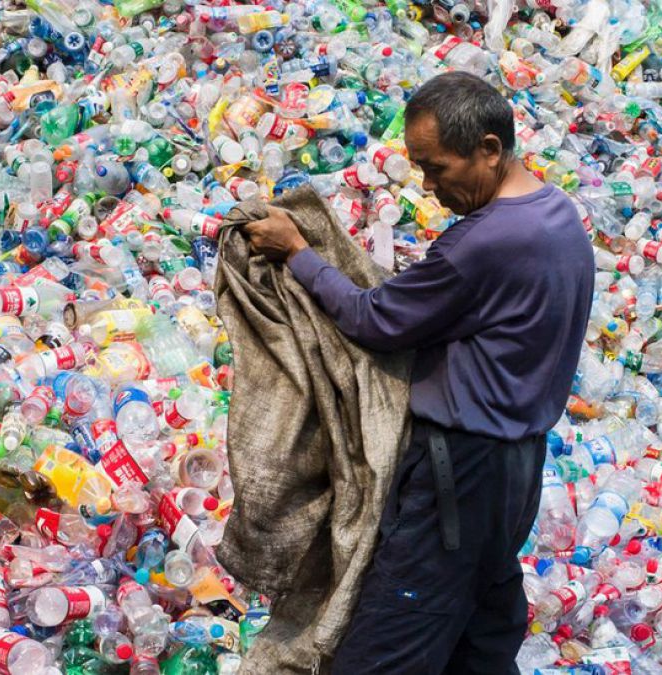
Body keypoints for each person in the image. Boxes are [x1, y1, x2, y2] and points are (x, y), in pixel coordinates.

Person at [242, 71, 595, 673]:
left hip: (460, 471)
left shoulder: (481, 244)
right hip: (519, 468)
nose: (430, 188)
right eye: (422, 170)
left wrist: (299, 253)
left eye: (439, 169)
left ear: (489, 149)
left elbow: (374, 320)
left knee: (390, 641)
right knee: (479, 634)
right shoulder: (558, 216)